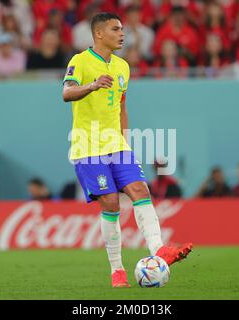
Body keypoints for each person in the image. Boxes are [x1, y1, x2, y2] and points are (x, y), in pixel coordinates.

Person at [62, 12, 192, 288]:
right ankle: (117, 271)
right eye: (115, 29)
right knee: (110, 203)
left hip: (117, 146)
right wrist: (92, 85)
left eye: (122, 29)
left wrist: (126, 140)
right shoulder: (80, 61)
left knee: (141, 191)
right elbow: (66, 93)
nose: (122, 34)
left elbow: (122, 106)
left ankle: (159, 251)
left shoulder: (122, 67)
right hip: (88, 147)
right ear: (99, 34)